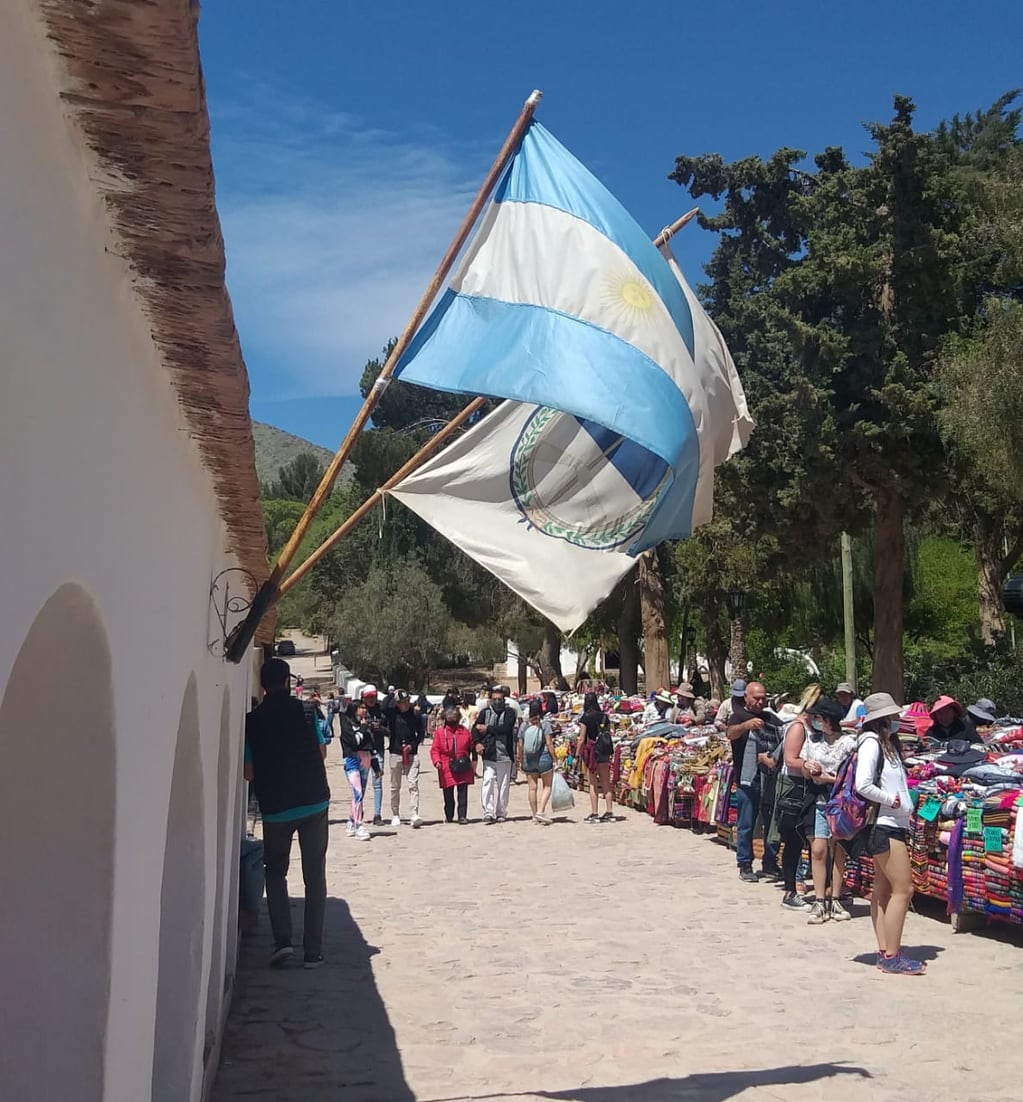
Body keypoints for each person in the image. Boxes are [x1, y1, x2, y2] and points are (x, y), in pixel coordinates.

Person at [244, 658, 330, 969]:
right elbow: (321, 752)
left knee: (275, 871)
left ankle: (283, 941)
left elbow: (249, 773)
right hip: (314, 802)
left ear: (263, 685)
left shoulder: (252, 722)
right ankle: (313, 951)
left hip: (277, 807)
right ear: (288, 680)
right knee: (314, 876)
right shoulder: (307, 711)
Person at [854, 692, 925, 976]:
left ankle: (885, 950)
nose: (898, 720)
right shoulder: (872, 744)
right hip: (885, 825)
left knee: (883, 890)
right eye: (893, 716)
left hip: (890, 823)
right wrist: (891, 800)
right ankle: (892, 955)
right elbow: (863, 784)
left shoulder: (888, 745)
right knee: (903, 889)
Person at [800, 697, 857, 924]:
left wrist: (829, 778)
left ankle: (835, 897)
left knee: (839, 849)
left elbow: (852, 778)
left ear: (827, 720)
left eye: (818, 718)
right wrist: (808, 768)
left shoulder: (850, 744)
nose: (815, 721)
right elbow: (804, 770)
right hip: (819, 800)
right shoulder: (813, 742)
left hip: (840, 802)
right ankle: (820, 899)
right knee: (818, 849)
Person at [726, 681, 781, 883]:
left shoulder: (770, 718)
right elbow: (730, 733)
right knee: (747, 822)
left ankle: (770, 862)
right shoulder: (738, 716)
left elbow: (782, 736)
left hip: (769, 779)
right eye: (756, 698)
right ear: (746, 697)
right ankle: (745, 863)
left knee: (771, 822)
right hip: (747, 779)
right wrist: (745, 726)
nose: (760, 701)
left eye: (762, 698)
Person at [773, 687, 819, 910]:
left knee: (808, 839)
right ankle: (790, 890)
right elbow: (791, 760)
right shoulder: (798, 727)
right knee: (793, 841)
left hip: (806, 786)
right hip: (794, 788)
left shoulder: (809, 726)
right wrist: (808, 764)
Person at [474, 686, 518, 823]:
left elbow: (505, 728)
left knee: (503, 785)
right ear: (490, 700)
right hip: (489, 754)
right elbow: (475, 729)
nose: (497, 702)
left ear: (504, 699)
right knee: (487, 781)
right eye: (495, 699)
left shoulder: (510, 712)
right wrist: (477, 743)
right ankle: (488, 811)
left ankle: (501, 812)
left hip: (505, 755)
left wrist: (487, 728)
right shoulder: (484, 713)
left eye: (500, 699)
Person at [385, 690, 425, 828]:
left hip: (412, 753)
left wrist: (412, 745)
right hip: (395, 752)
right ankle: (395, 814)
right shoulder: (392, 713)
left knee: (413, 784)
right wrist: (391, 693)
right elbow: (383, 707)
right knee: (395, 786)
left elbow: (420, 734)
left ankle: (414, 814)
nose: (405, 704)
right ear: (398, 703)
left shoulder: (416, 714)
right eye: (402, 702)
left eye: (407, 701)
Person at [430, 705, 475, 823]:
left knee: (462, 793)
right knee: (448, 794)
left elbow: (472, 745)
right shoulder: (440, 733)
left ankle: (462, 816)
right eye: (449, 716)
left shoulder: (464, 731)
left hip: (463, 764)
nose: (452, 718)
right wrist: (437, 761)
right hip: (446, 765)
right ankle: (449, 816)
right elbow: (435, 749)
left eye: (454, 716)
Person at [577, 691, 616, 823]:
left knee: (593, 783)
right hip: (604, 751)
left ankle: (594, 813)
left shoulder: (585, 718)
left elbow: (582, 738)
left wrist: (577, 754)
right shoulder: (604, 716)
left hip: (592, 752)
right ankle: (610, 811)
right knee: (605, 781)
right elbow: (609, 733)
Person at [338, 700, 373, 841]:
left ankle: (351, 821)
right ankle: (359, 825)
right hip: (351, 760)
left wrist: (376, 766)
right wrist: (363, 729)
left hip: (365, 759)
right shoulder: (346, 726)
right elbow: (355, 741)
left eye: (365, 707)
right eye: (361, 708)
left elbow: (371, 744)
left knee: (360, 794)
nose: (364, 710)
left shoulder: (365, 725)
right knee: (357, 792)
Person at [519, 699, 556, 824]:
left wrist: (520, 760)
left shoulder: (524, 725)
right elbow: (549, 743)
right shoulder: (544, 724)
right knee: (547, 785)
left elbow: (520, 745)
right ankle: (541, 810)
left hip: (528, 758)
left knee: (532, 788)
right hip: (543, 757)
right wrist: (555, 759)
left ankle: (534, 815)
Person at [361, 685, 386, 826]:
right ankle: (359, 811)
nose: (371, 699)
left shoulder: (381, 711)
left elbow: (389, 731)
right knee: (362, 784)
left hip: (378, 750)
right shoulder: (359, 711)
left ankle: (377, 814)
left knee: (377, 783)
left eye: (373, 696)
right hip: (363, 751)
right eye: (368, 696)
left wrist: (380, 729)